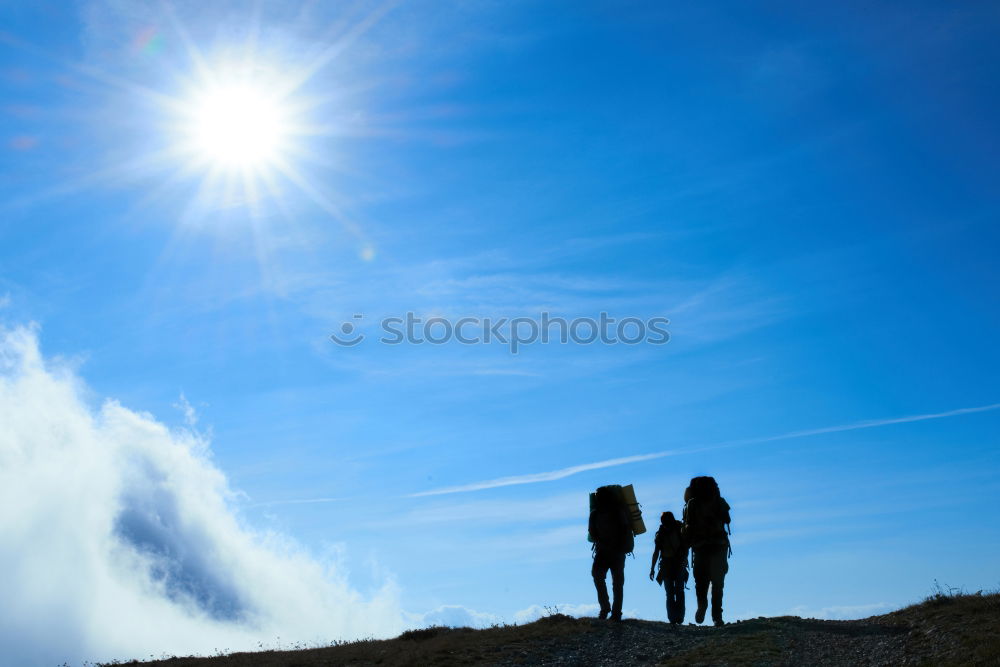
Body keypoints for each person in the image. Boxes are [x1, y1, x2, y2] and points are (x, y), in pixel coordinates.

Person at [682, 476, 731, 627]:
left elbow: (688, 527)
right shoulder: (720, 501)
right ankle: (717, 616)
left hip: (700, 546)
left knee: (700, 582)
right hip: (719, 545)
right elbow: (727, 520)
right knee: (718, 583)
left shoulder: (692, 504)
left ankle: (702, 606)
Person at [589, 486, 632, 621]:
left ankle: (609, 610)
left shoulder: (598, 513)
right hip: (614, 552)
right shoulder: (613, 511)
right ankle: (613, 611)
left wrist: (604, 543)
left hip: (608, 551)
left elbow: (592, 532)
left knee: (602, 577)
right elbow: (625, 529)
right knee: (616, 582)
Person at [649, 511, 688, 625]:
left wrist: (652, 569)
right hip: (677, 563)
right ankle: (678, 618)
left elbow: (656, 552)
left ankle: (673, 618)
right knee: (678, 591)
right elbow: (686, 546)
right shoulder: (678, 529)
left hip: (668, 564)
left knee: (671, 593)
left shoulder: (661, 533)